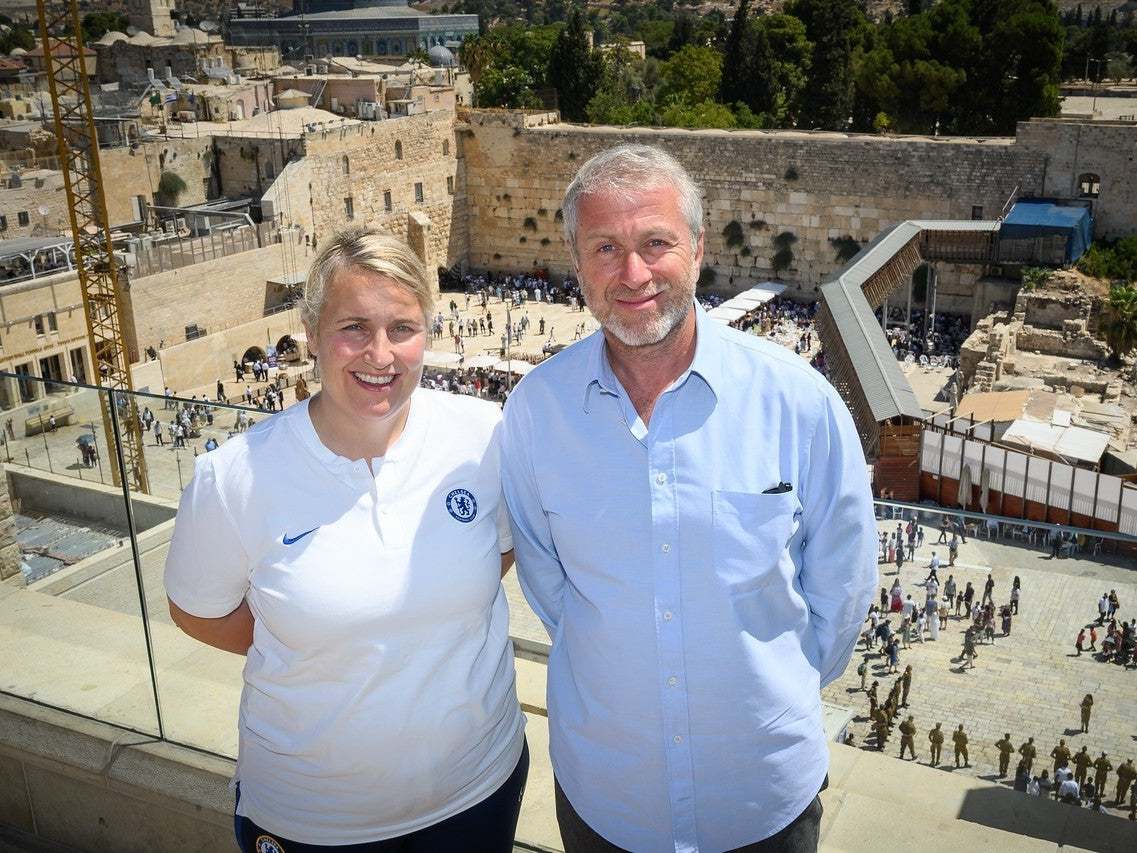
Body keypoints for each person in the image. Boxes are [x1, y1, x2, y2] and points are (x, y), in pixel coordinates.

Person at [501, 144, 877, 851]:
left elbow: (843, 583)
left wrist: (765, 689)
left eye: (655, 243)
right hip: (609, 799)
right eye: (605, 247)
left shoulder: (797, 403)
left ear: (698, 250)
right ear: (575, 263)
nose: (632, 272)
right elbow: (551, 587)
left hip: (760, 797)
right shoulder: (535, 411)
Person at [164, 231, 528, 851]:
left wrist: (383, 616)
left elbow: (495, 552)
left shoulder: (482, 436)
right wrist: (314, 634)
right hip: (315, 815)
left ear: (428, 335)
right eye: (353, 327)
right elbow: (198, 614)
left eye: (402, 328)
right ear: (311, 332)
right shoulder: (234, 477)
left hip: (477, 788)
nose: (380, 354)